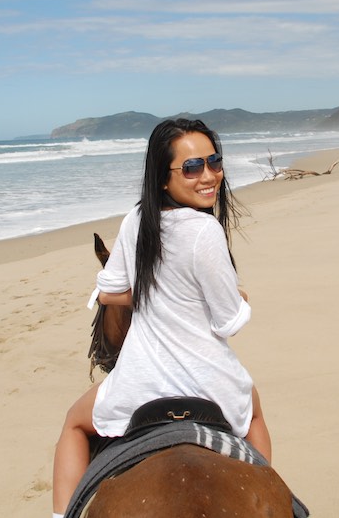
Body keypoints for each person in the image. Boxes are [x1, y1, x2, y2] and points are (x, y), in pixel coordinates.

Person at [51, 118, 273, 517]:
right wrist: (241, 298)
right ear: (163, 177)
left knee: (74, 425)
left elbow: (107, 291)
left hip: (140, 381)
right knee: (254, 412)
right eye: (192, 167)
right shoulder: (205, 231)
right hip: (208, 380)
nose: (208, 175)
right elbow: (229, 322)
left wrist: (158, 292)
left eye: (214, 161)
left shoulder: (136, 219)